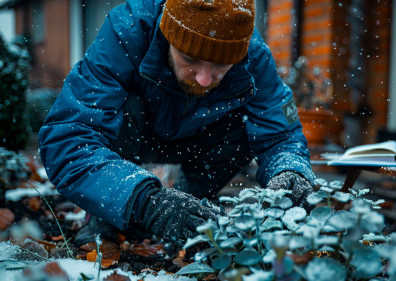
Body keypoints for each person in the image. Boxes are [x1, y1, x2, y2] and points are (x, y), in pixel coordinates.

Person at [38, 0, 315, 248]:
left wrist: (289, 169)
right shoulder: (127, 30)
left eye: (221, 64)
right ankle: (111, 213)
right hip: (134, 134)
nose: (205, 79)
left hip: (200, 141)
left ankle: (189, 210)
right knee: (113, 112)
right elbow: (70, 138)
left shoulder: (254, 55)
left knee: (246, 124)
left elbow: (281, 136)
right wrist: (147, 202)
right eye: (190, 59)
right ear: (167, 35)